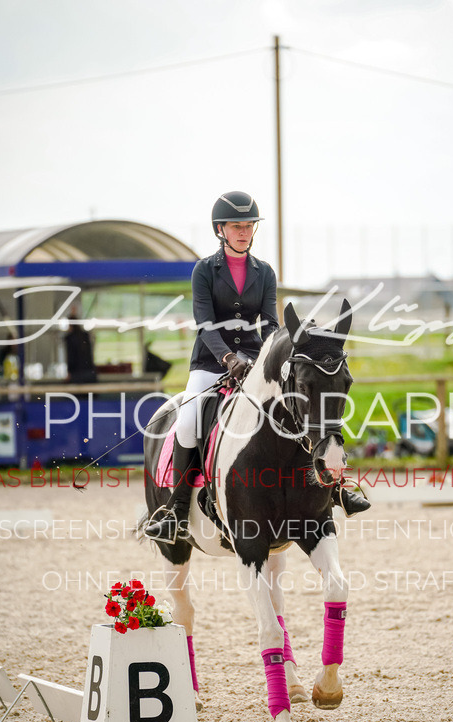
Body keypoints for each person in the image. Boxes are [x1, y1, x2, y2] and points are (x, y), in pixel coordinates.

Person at [149, 190, 368, 543]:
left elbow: (268, 322)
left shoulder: (264, 272)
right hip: (210, 362)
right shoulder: (204, 270)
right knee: (188, 423)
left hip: (256, 363)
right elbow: (204, 324)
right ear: (220, 229)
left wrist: (264, 355)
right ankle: (176, 509)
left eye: (249, 225)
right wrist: (227, 358)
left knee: (301, 405)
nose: (244, 231)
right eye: (236, 226)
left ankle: (336, 489)